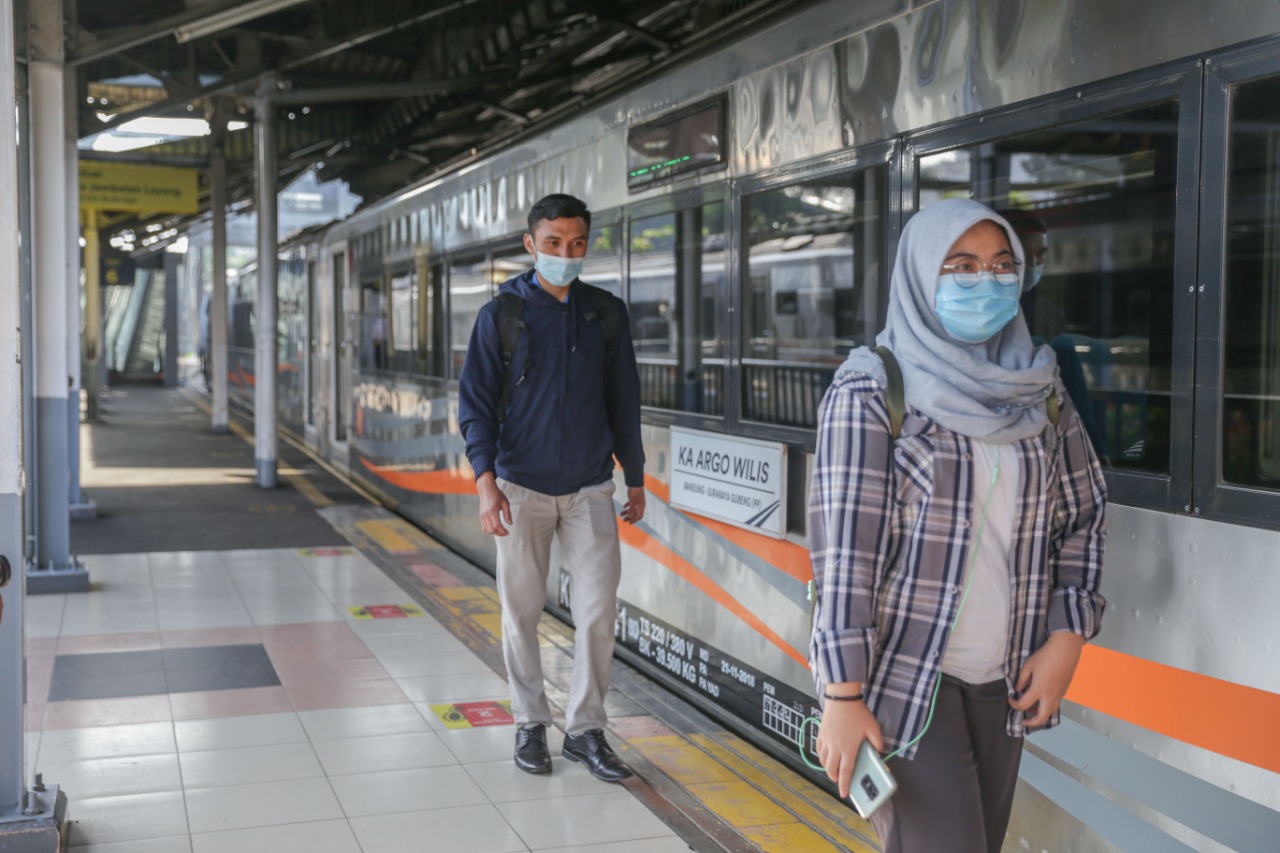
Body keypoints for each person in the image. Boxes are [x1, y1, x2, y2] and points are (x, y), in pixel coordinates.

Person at [808, 199, 1106, 853]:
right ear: (920, 275)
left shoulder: (1041, 390)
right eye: (962, 266)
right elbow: (845, 557)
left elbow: (1084, 516)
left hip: (1008, 678)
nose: (986, 282)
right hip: (908, 681)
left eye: (1002, 266)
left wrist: (1067, 637)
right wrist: (842, 694)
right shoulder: (872, 392)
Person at [459, 193, 646, 783]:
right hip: (519, 487)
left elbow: (625, 401)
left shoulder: (605, 314)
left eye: (577, 243)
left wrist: (636, 476)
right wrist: (486, 485)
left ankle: (586, 731)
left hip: (590, 487)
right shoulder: (501, 316)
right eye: (553, 243)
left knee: (598, 611)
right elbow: (475, 408)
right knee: (521, 611)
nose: (566, 254)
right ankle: (530, 722)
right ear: (530, 244)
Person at [998, 207, 1108, 462]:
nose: (1034, 264)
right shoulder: (989, 310)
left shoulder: (1049, 312)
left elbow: (1071, 393)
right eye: (1025, 254)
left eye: (1041, 254)